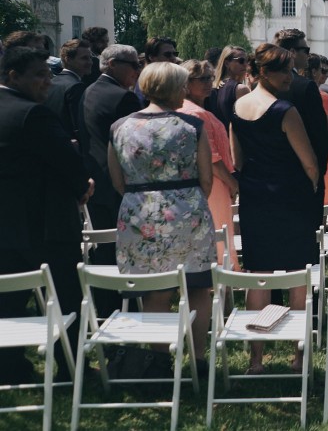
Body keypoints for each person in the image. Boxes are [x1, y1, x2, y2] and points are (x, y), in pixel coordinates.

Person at [108, 62, 216, 363]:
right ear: (172, 89)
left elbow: (117, 180)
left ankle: (159, 359)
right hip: (187, 212)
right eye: (182, 85)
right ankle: (196, 359)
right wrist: (187, 201)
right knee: (197, 286)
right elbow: (207, 178)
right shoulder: (192, 126)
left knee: (154, 290)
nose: (185, 90)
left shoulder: (120, 127)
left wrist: (143, 200)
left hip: (138, 214)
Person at [0, 47, 94, 384]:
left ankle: (10, 368)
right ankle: (70, 368)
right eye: (40, 74)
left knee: (8, 301)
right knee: (65, 299)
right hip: (45, 226)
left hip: (6, 229)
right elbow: (69, 164)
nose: (48, 80)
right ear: (13, 76)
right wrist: (83, 184)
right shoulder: (32, 114)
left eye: (48, 73)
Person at [231, 43, 320, 373]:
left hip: (255, 198)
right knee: (298, 276)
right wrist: (311, 186)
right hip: (290, 197)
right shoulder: (286, 110)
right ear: (264, 73)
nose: (289, 76)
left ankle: (256, 360)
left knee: (259, 276)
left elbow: (237, 160)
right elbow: (309, 162)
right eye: (283, 70)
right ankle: (298, 357)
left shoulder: (238, 108)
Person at [82, 44, 144, 316]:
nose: (137, 70)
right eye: (132, 65)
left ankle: (106, 308)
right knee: (124, 250)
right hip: (120, 182)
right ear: (111, 64)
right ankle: (124, 306)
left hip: (97, 180)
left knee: (105, 250)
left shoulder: (89, 90)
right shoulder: (123, 98)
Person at [178, 60, 239, 270]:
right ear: (186, 82)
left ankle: (219, 282)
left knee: (219, 231)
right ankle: (218, 281)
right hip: (212, 182)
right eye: (201, 78)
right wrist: (232, 182)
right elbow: (210, 156)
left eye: (210, 78)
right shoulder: (192, 112)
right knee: (216, 232)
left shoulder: (196, 108)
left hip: (214, 182)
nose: (208, 83)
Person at [274, 28, 328, 230]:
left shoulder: (260, 88)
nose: (308, 53)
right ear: (291, 52)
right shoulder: (305, 87)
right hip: (303, 175)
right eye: (305, 49)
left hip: (271, 178)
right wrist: (318, 173)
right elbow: (320, 136)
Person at [300, 54, 328, 206]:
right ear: (314, 71)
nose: (325, 76)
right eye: (323, 71)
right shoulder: (322, 96)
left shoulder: (326, 94)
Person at [44, 38, 93, 149]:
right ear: (68, 59)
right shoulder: (76, 87)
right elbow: (80, 125)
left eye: (90, 57)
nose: (90, 62)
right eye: (84, 58)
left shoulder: (52, 82)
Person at [206, 45, 251, 130]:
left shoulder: (211, 87)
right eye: (241, 61)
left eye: (247, 61)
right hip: (235, 141)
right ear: (227, 63)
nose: (246, 65)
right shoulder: (241, 89)